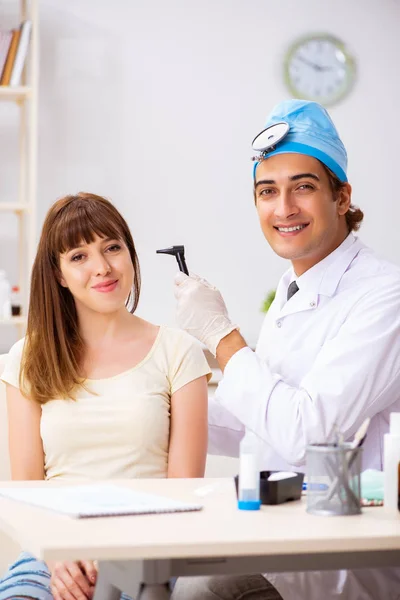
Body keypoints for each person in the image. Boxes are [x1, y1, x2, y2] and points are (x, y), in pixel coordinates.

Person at [172, 99, 400, 600]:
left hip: (341, 567)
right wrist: (164, 398)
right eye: (267, 191)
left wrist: (224, 339)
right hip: (283, 538)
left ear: (342, 197)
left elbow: (308, 433)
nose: (284, 208)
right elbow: (261, 425)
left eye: (303, 187)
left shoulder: (385, 295)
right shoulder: (293, 289)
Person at [0, 192, 211, 600]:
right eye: (79, 256)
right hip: (53, 558)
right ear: (58, 274)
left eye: (112, 247)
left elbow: (182, 495)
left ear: (130, 255)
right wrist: (61, 558)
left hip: (147, 555)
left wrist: (112, 558)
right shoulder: (27, 358)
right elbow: (28, 490)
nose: (102, 268)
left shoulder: (178, 352)